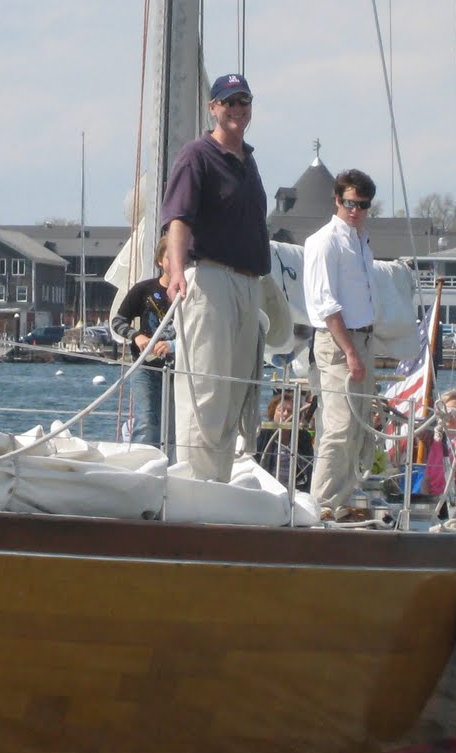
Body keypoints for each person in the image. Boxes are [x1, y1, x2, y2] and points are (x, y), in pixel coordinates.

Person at [161, 72, 271, 482]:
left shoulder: (248, 160)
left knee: (234, 392)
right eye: (229, 102)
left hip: (247, 282)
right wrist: (176, 271)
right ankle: (195, 485)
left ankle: (217, 486)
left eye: (244, 101)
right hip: (210, 279)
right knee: (205, 389)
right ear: (213, 108)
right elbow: (178, 217)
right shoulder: (197, 155)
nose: (237, 109)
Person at [303, 168, 378, 519]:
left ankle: (342, 500)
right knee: (338, 426)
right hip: (338, 343)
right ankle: (321, 505)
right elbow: (325, 303)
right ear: (337, 200)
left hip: (363, 338)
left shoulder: (362, 241)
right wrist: (350, 351)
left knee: (358, 428)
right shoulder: (324, 241)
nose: (355, 210)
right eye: (350, 203)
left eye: (362, 205)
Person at [111, 237, 174, 446]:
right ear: (160, 261)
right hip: (145, 367)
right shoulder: (144, 290)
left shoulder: (190, 293)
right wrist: (136, 335)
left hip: (178, 370)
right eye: (170, 257)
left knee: (174, 425)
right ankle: (143, 460)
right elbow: (118, 321)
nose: (176, 262)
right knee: (147, 421)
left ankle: (171, 462)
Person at [257, 390, 314, 490]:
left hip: (296, 489)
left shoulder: (303, 437)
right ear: (273, 413)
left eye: (290, 411)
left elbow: (308, 469)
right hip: (267, 487)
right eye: (281, 410)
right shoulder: (263, 434)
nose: (286, 414)